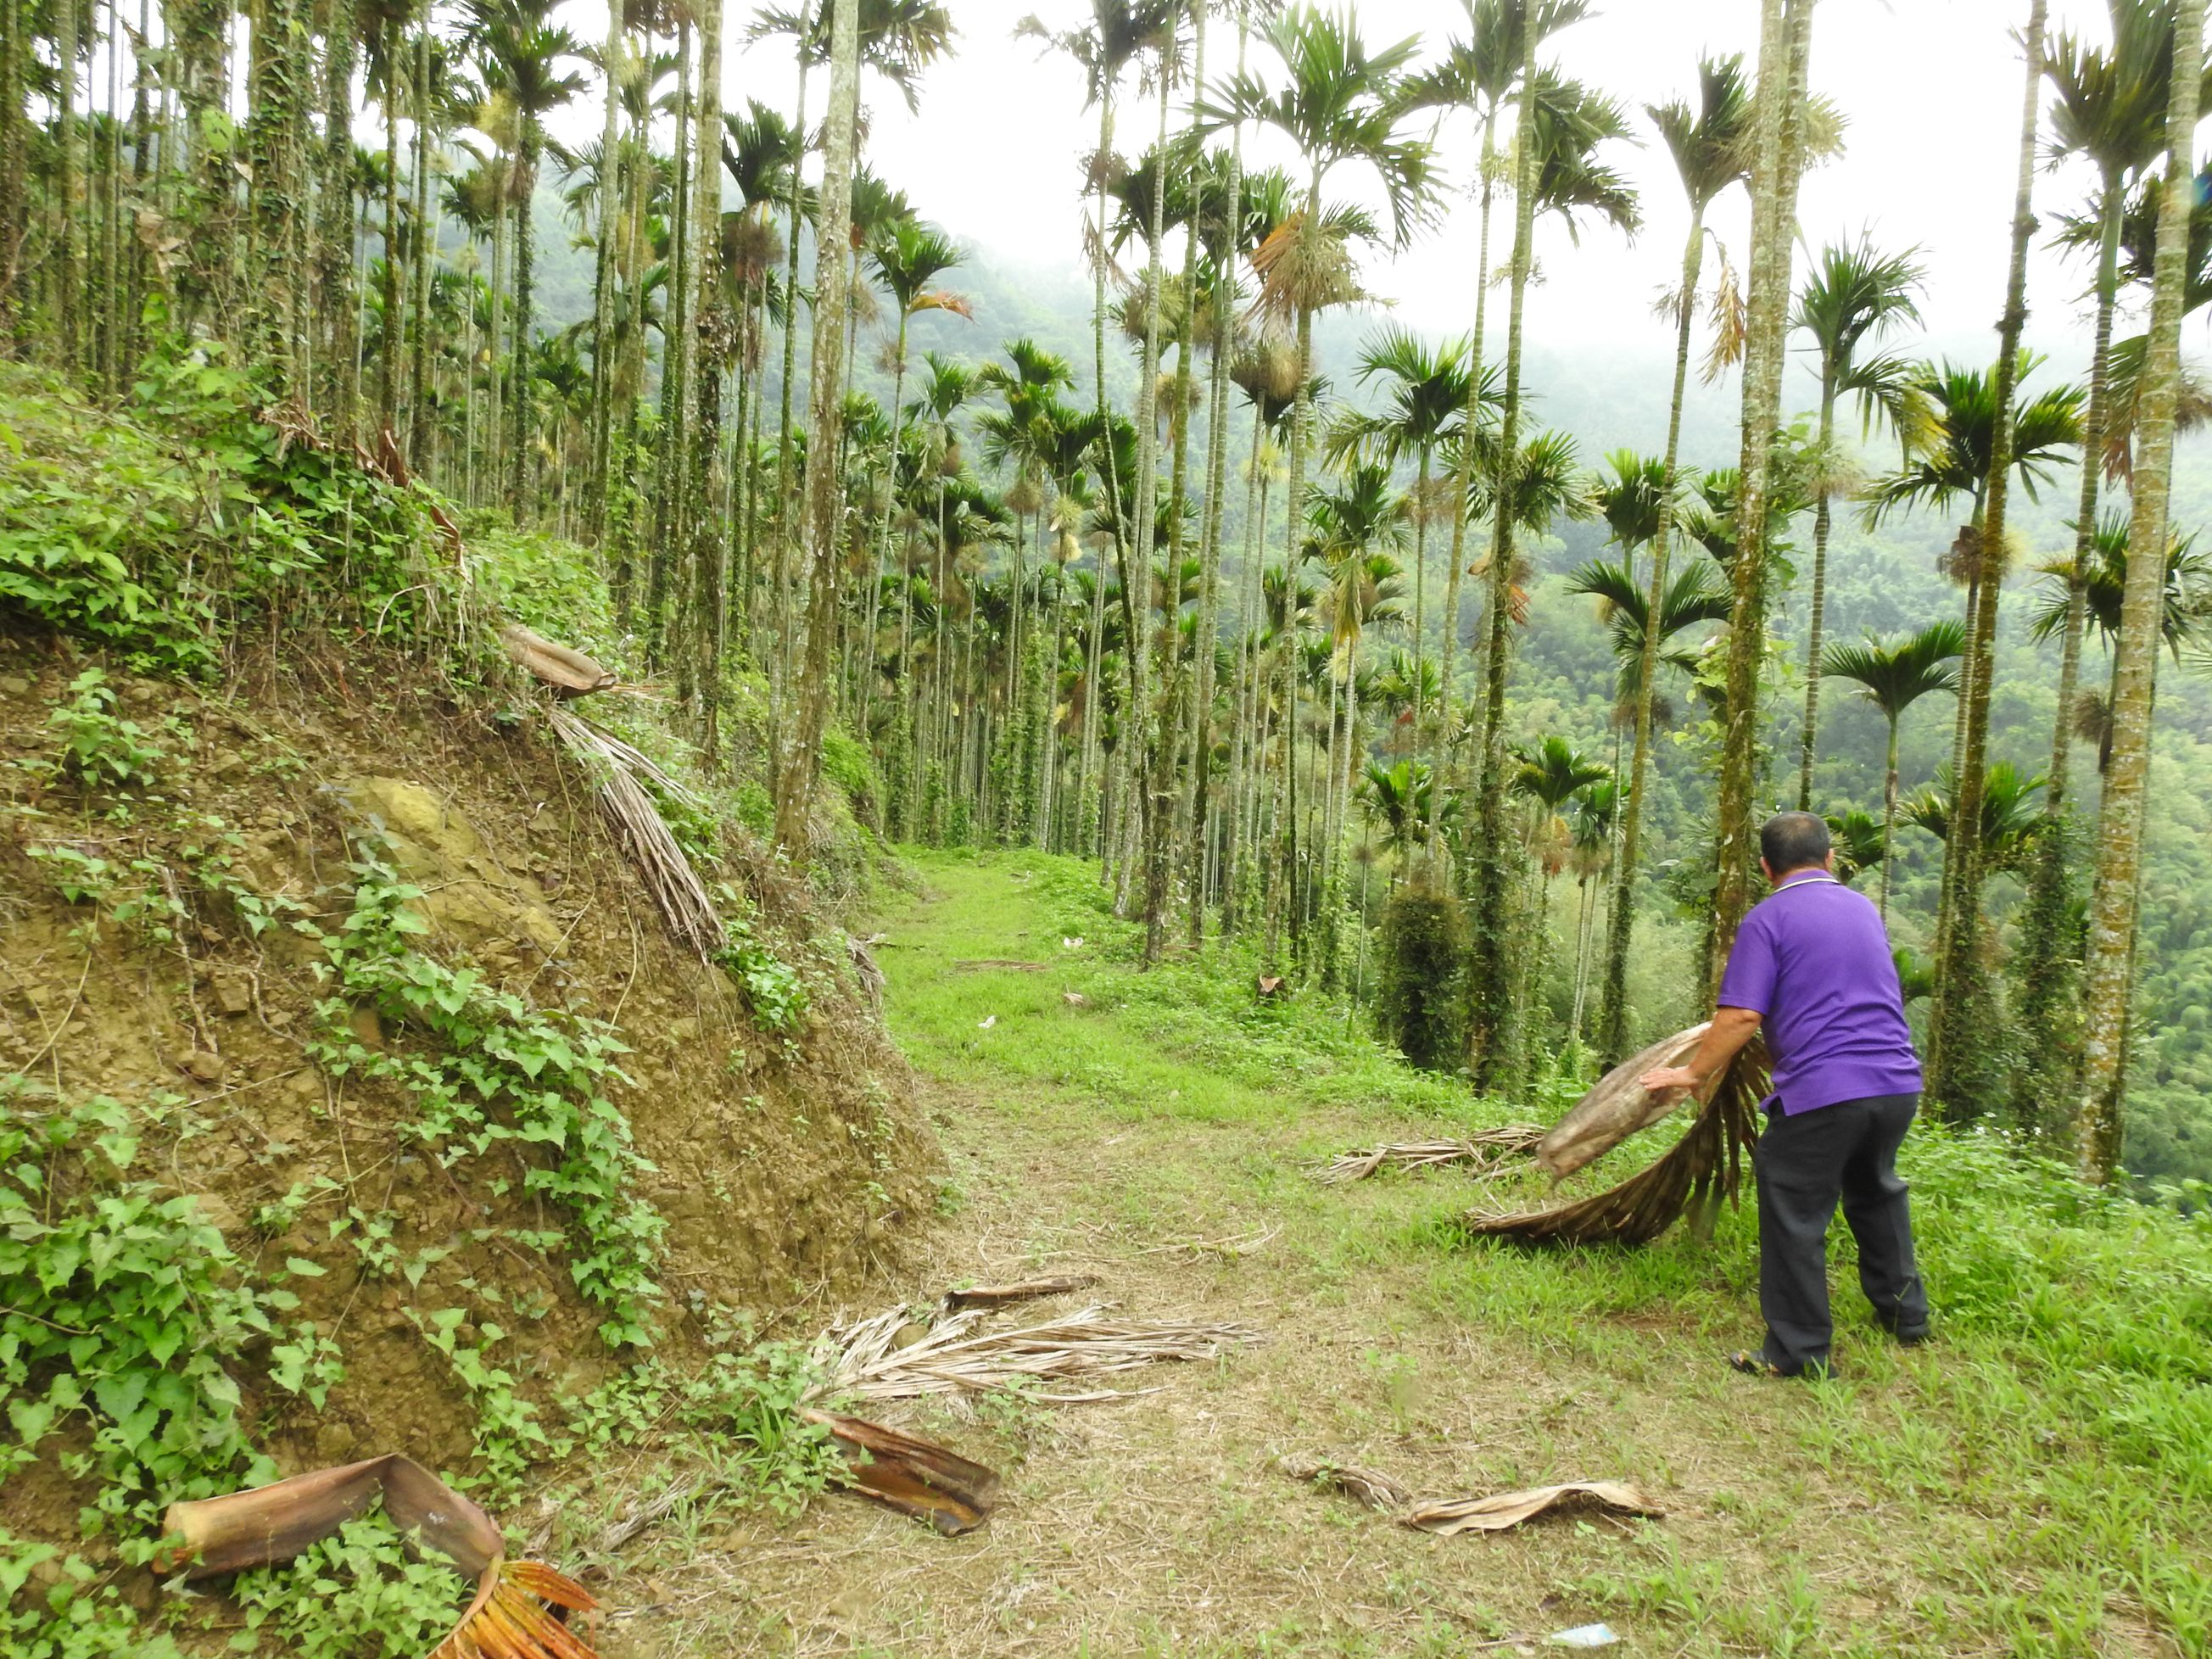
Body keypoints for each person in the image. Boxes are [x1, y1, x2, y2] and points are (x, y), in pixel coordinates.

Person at [1639, 810, 1930, 1377]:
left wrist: (1691, 1074)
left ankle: (1798, 1351)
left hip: (1827, 1091)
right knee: (1876, 1190)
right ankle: (1907, 1318)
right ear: (1829, 860)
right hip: (1897, 1083)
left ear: (1766, 868)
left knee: (1794, 1206)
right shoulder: (1864, 908)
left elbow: (1744, 1014)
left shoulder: (1766, 919)